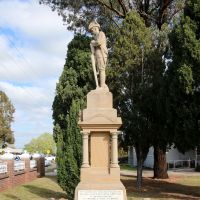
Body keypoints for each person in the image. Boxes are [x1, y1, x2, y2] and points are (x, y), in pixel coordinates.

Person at [89, 21, 108, 88]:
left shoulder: (101, 33)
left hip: (101, 53)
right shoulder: (96, 37)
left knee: (101, 69)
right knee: (99, 70)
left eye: (92, 30)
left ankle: (102, 85)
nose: (92, 32)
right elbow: (93, 50)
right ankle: (101, 85)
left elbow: (99, 42)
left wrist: (92, 42)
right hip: (97, 54)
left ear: (95, 28)